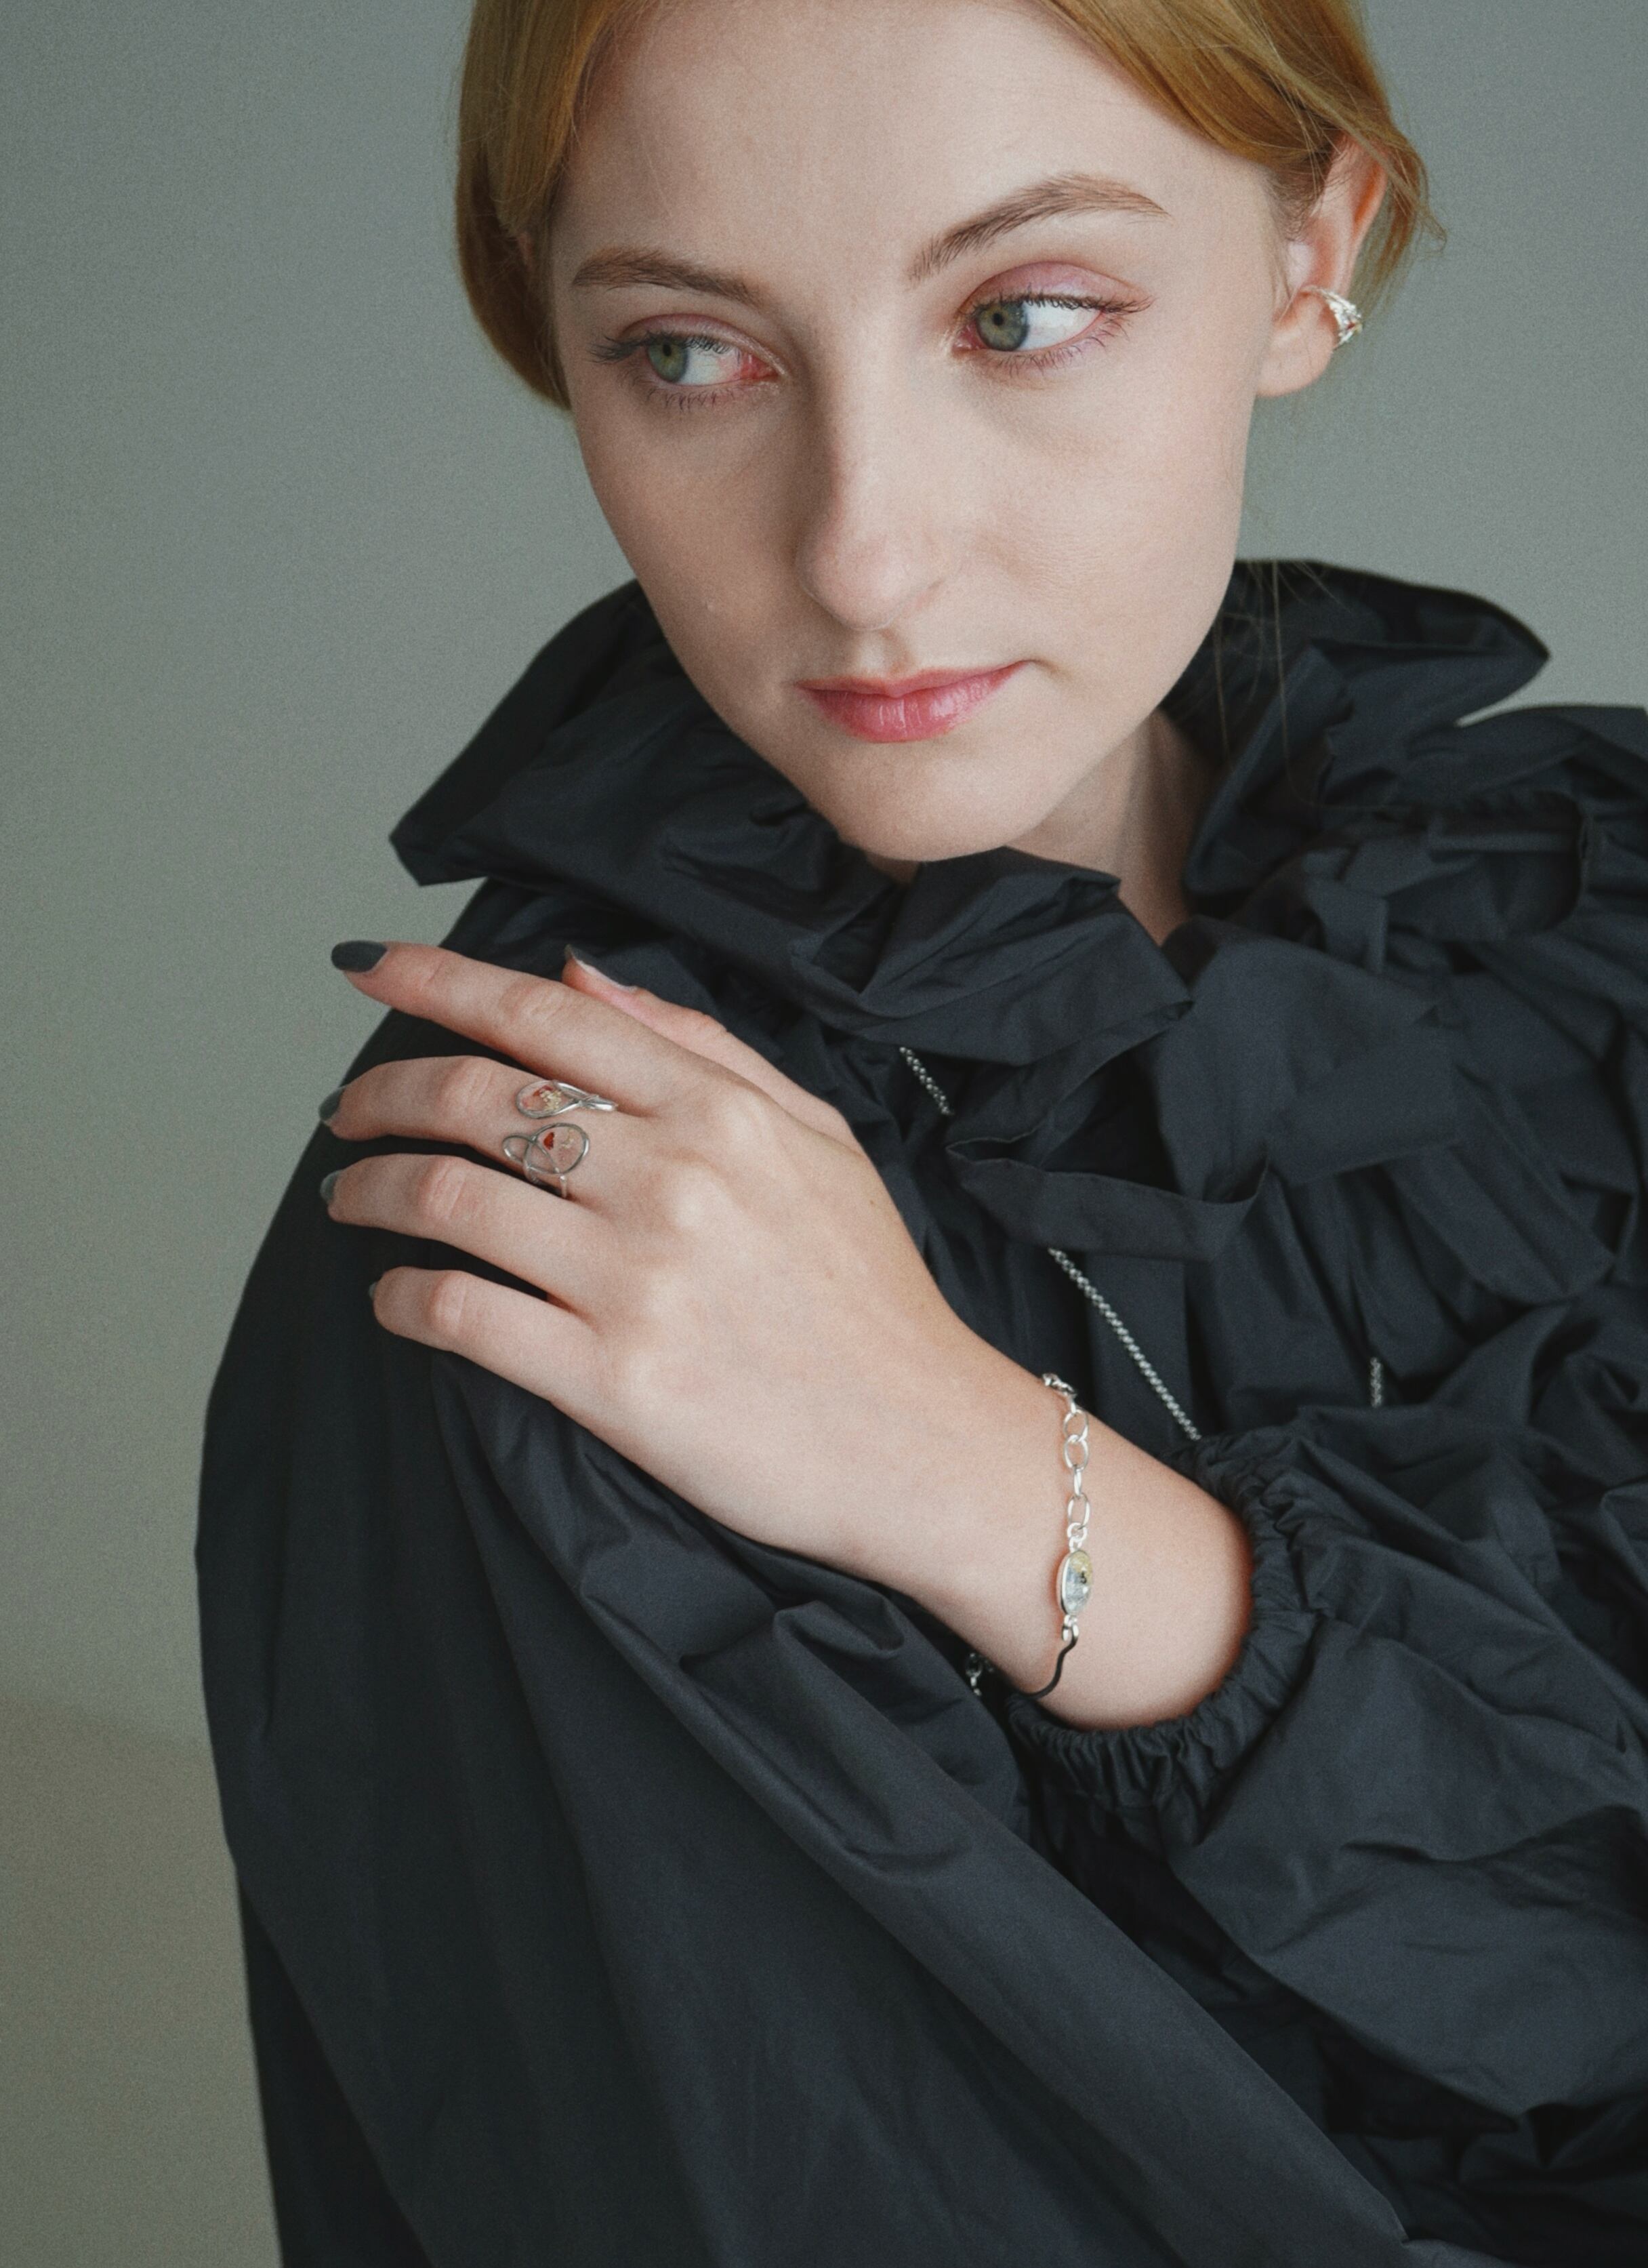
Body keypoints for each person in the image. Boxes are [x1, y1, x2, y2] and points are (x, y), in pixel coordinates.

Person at [197, 1, 1648, 2261]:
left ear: (1309, 255)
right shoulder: (560, 1239)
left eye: (1023, 314)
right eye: (691, 353)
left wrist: (996, 1486)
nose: (863, 555)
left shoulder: (1586, 908)